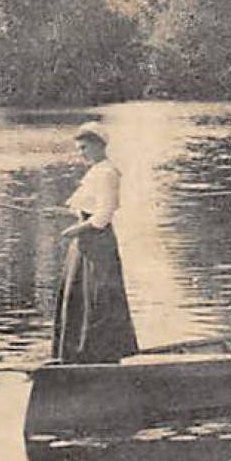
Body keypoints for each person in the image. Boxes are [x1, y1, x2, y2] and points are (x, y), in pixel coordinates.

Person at [53, 122, 139, 363]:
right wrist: (65, 217)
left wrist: (75, 230)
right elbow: (86, 208)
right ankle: (77, 354)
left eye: (85, 148)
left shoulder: (107, 173)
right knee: (80, 295)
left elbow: (102, 216)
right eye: (79, 149)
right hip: (85, 242)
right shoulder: (95, 171)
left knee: (97, 298)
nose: (82, 153)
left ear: (100, 146)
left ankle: (97, 355)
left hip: (97, 243)